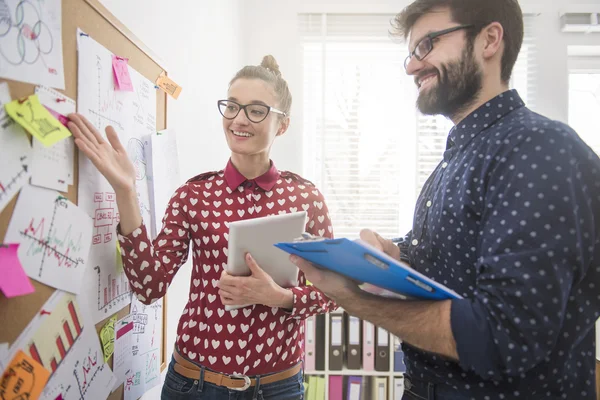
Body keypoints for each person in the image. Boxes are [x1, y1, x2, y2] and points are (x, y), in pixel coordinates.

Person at [290, 1, 600, 399]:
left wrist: (352, 298)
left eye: (428, 44)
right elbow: (456, 261)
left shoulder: (537, 149)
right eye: (411, 52)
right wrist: (393, 256)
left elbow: (502, 339)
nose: (412, 66)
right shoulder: (462, 156)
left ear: (489, 39)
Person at [68, 55, 336, 400]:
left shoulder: (306, 199)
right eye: (232, 107)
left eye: (256, 110)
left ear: (282, 125)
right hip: (194, 384)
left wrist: (279, 298)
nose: (239, 119)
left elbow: (334, 293)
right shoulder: (193, 195)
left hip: (277, 387)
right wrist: (126, 191)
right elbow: (149, 285)